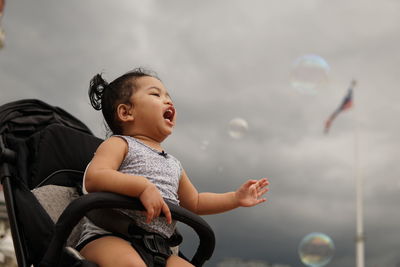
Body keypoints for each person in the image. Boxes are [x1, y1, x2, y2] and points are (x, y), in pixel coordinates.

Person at [77, 68, 270, 267]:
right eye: (155, 94)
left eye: (168, 96)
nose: (168, 101)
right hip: (109, 236)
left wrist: (234, 198)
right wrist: (142, 187)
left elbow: (195, 202)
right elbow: (95, 177)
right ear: (126, 112)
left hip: (160, 248)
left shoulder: (173, 164)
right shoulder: (119, 144)